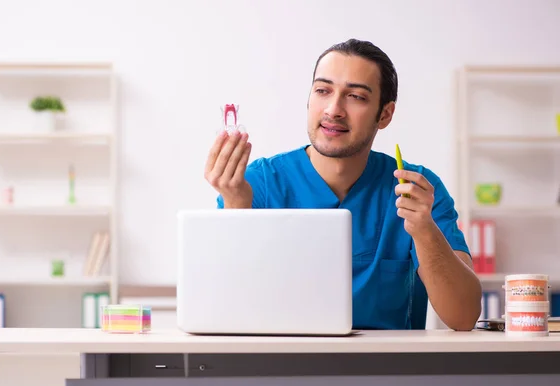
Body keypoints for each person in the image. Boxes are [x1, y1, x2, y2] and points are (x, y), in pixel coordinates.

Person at [203, 38, 482, 331]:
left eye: (356, 97)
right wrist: (236, 208)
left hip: (391, 370)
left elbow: (462, 317)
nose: (333, 109)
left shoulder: (417, 191)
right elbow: (226, 309)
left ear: (385, 114)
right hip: (283, 367)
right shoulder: (257, 185)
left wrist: (424, 231)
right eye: (323, 91)